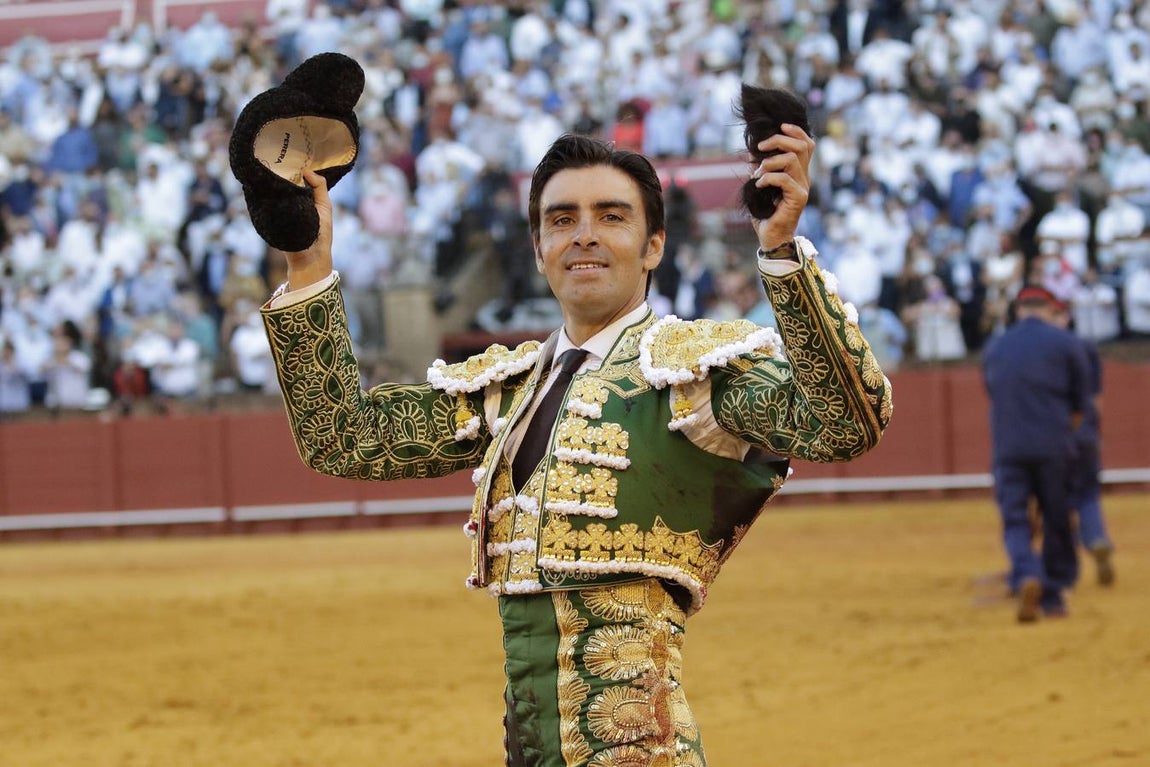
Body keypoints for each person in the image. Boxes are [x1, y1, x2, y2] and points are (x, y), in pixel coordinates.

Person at [259, 130, 892, 764]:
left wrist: (780, 252)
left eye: (610, 217)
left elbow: (845, 423)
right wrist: (309, 266)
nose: (583, 234)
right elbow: (345, 439)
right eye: (562, 220)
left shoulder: (697, 375)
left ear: (653, 247)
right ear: (539, 250)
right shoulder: (509, 391)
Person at [982, 285, 1090, 623]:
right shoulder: (1067, 343)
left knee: (1015, 516)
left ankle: (1026, 572)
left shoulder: (996, 347)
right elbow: (1080, 405)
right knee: (1057, 516)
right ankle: (1054, 595)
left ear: (1018, 310)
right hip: (1054, 444)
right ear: (1047, 308)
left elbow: (992, 391)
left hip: (1009, 446)